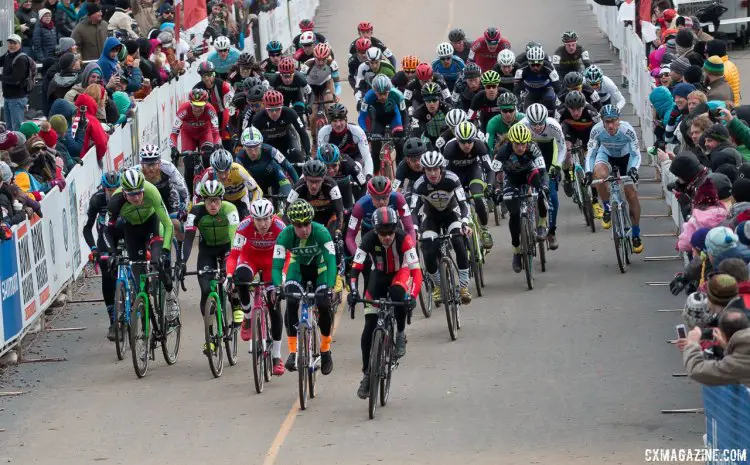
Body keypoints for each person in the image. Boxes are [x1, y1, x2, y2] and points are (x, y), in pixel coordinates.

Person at [349, 206, 421, 398]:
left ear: (395, 228)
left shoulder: (404, 239)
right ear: (375, 230)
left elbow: (416, 272)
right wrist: (354, 291)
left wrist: (412, 296)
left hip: (400, 272)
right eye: (382, 233)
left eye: (390, 232)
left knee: (399, 295)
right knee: (368, 328)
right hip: (378, 275)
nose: (387, 237)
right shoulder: (367, 240)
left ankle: (400, 333)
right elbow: (355, 269)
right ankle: (366, 374)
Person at [272, 199, 336, 375]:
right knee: (291, 301)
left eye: (307, 224)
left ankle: (325, 349)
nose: (304, 229)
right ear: (292, 224)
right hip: (297, 269)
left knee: (323, 304)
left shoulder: (322, 232)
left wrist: (330, 287)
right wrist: (278, 287)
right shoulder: (284, 236)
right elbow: (277, 266)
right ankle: (293, 351)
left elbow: (331, 262)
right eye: (298, 226)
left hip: (320, 269)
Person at [106, 168, 179, 321]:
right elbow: (108, 230)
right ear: (124, 193)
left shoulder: (151, 191)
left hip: (152, 223)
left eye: (140, 192)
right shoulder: (115, 201)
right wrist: (112, 253)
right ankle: (143, 302)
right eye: (132, 194)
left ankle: (170, 295)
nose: (137, 197)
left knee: (159, 261)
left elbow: (168, 225)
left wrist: (165, 250)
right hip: (132, 229)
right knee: (138, 275)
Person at [226, 198, 286, 375]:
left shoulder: (280, 227)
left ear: (272, 217)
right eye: (258, 220)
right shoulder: (244, 226)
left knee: (274, 307)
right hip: (249, 258)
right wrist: (229, 275)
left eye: (266, 219)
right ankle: (247, 316)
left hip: (272, 263)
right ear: (252, 219)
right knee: (241, 279)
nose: (262, 223)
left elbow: (287, 254)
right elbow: (234, 254)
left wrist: (282, 276)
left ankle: (276, 355)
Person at [180, 180, 240, 352]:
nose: (213, 205)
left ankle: (235, 303)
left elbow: (235, 235)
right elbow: (189, 238)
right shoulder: (196, 211)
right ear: (203, 201)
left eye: (216, 201)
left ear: (221, 200)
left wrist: (234, 262)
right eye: (209, 201)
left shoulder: (230, 209)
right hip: (206, 252)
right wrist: (183, 261)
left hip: (226, 248)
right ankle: (211, 336)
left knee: (232, 274)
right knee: (206, 290)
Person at [411, 150, 472, 304]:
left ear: (441, 168)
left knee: (458, 242)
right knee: (429, 249)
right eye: (428, 170)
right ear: (424, 170)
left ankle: (464, 286)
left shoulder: (452, 179)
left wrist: (465, 222)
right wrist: (415, 229)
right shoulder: (419, 184)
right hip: (431, 217)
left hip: (451, 213)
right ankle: (438, 286)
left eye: (435, 169)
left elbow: (463, 204)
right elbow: (413, 211)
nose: (432, 173)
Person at [585, 105, 643, 253]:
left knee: (631, 193)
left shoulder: (627, 130)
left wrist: (634, 169)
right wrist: (588, 172)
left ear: (619, 120)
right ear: (602, 121)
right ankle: (607, 208)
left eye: (613, 121)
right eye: (607, 121)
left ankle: (636, 234)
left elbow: (636, 153)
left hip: (626, 158)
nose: (610, 125)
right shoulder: (596, 130)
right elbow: (591, 154)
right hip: (606, 155)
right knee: (598, 175)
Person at [494, 123, 548, 272]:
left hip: (529, 173)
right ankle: (517, 251)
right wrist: (497, 190)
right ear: (511, 142)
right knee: (515, 214)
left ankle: (542, 225)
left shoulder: (532, 148)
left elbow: (542, 171)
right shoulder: (503, 151)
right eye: (517, 144)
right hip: (511, 178)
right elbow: (496, 174)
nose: (520, 147)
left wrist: (543, 186)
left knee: (542, 192)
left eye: (523, 144)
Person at [442, 121, 494, 249]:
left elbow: (490, 168)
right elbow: (443, 173)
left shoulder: (480, 146)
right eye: (463, 142)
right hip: (455, 175)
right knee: (453, 204)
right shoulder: (449, 148)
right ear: (457, 140)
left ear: (474, 140)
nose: (466, 145)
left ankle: (484, 229)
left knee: (478, 197)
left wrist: (490, 185)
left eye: (469, 141)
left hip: (473, 172)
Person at [83, 171, 122, 340]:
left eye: (115, 190)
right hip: (105, 236)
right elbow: (87, 228)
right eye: (108, 190)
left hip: (124, 233)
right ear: (103, 188)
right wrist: (93, 249)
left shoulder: (125, 196)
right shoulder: (97, 199)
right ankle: (113, 321)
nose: (112, 193)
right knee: (108, 277)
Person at [522, 104, 565, 249]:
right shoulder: (522, 125)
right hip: (529, 156)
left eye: (541, 123)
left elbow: (562, 148)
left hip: (548, 157)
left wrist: (557, 166)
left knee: (552, 196)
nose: (538, 126)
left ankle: (551, 232)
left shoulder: (553, 126)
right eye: (534, 123)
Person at [677, 310, 750, 386]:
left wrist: (692, 344)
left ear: (723, 336)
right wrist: (726, 346)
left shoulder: (735, 364)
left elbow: (696, 370)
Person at [558, 91, 601, 210]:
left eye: (578, 109)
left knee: (591, 162)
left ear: (583, 106)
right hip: (570, 131)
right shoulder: (561, 111)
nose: (576, 113)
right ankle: (567, 175)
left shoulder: (591, 111)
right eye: (572, 110)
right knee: (567, 151)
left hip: (588, 133)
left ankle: (595, 199)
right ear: (567, 107)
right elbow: (556, 131)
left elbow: (601, 130)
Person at [137, 144, 189, 240]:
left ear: (159, 163)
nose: (151, 168)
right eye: (148, 165)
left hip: (167, 196)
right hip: (147, 199)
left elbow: (182, 189)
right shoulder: (136, 172)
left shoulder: (168, 168)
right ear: (142, 163)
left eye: (154, 164)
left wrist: (185, 208)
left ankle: (181, 248)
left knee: (177, 224)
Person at [357, 74, 407, 172]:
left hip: (394, 118)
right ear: (374, 91)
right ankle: (375, 174)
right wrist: (365, 131)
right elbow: (362, 117)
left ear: (390, 91)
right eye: (379, 94)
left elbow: (404, 115)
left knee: (400, 144)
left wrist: (404, 129)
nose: (383, 97)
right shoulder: (368, 96)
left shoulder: (398, 95)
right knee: (375, 147)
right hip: (378, 120)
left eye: (385, 93)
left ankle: (400, 173)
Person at [235, 126, 298, 198]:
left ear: (260, 145)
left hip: (275, 176)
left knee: (287, 196)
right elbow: (239, 179)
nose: (253, 153)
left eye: (256, 148)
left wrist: (298, 187)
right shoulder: (239, 157)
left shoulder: (270, 150)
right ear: (244, 147)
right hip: (255, 182)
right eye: (249, 149)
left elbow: (289, 167)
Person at [251, 89, 311, 165]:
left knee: (297, 155)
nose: (274, 113)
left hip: (287, 139)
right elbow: (253, 140)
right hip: (269, 141)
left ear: (282, 106)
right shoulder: (258, 118)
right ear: (265, 107)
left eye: (277, 109)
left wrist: (308, 154)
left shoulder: (290, 113)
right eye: (270, 110)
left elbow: (302, 133)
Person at [198, 148, 261, 220]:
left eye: (226, 171)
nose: (223, 176)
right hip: (222, 200)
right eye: (219, 172)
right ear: (214, 169)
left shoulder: (239, 170)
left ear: (230, 167)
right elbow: (197, 195)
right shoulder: (208, 173)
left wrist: (253, 205)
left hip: (241, 198)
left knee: (247, 219)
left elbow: (256, 190)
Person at [170, 88, 221, 171]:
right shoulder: (184, 110)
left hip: (205, 134)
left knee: (207, 159)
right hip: (188, 135)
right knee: (188, 164)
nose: (197, 108)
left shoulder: (210, 110)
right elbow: (174, 134)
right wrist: (173, 148)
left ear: (206, 103)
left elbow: (216, 133)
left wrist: (217, 145)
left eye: (201, 105)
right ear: (190, 103)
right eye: (195, 105)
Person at [317, 103, 373, 177]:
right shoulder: (323, 132)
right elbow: (321, 157)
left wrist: (368, 175)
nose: (338, 124)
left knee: (356, 169)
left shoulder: (357, 131)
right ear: (330, 122)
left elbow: (366, 157)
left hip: (355, 159)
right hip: (334, 163)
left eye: (341, 120)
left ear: (345, 119)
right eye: (334, 121)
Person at [316, 143, 366, 209]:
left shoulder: (348, 163)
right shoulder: (315, 163)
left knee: (348, 211)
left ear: (339, 161)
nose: (331, 170)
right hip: (326, 187)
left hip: (344, 186)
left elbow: (364, 185)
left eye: (334, 165)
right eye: (326, 167)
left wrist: (358, 204)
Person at [514, 46, 560, 112]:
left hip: (546, 89)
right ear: (528, 62)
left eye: (538, 65)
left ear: (542, 62)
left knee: (549, 98)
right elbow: (516, 91)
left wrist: (558, 103)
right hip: (530, 91)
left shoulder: (549, 68)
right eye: (532, 65)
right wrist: (517, 104)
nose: (535, 67)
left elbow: (557, 87)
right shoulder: (521, 70)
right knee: (527, 110)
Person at [0, 35, 32, 132]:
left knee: (17, 128)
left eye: (15, 43)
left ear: (20, 44)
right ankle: (11, 147)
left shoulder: (21, 59)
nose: (12, 45)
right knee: (9, 128)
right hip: (8, 97)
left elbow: (15, 80)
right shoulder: (8, 55)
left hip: (17, 98)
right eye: (10, 43)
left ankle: (19, 147)